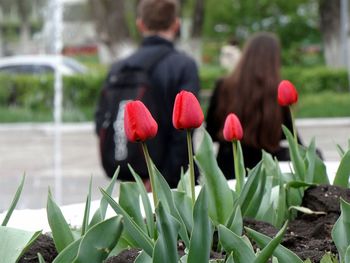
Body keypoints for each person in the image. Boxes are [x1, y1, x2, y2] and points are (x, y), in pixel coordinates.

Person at [95, 0, 200, 188]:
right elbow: (184, 132)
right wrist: (161, 179)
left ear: (140, 24)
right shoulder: (184, 66)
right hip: (173, 179)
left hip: (130, 176)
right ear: (176, 24)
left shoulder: (119, 68)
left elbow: (101, 121)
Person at [206, 32, 304, 179]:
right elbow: (291, 137)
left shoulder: (224, 87)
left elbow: (212, 132)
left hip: (229, 169)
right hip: (268, 171)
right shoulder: (277, 90)